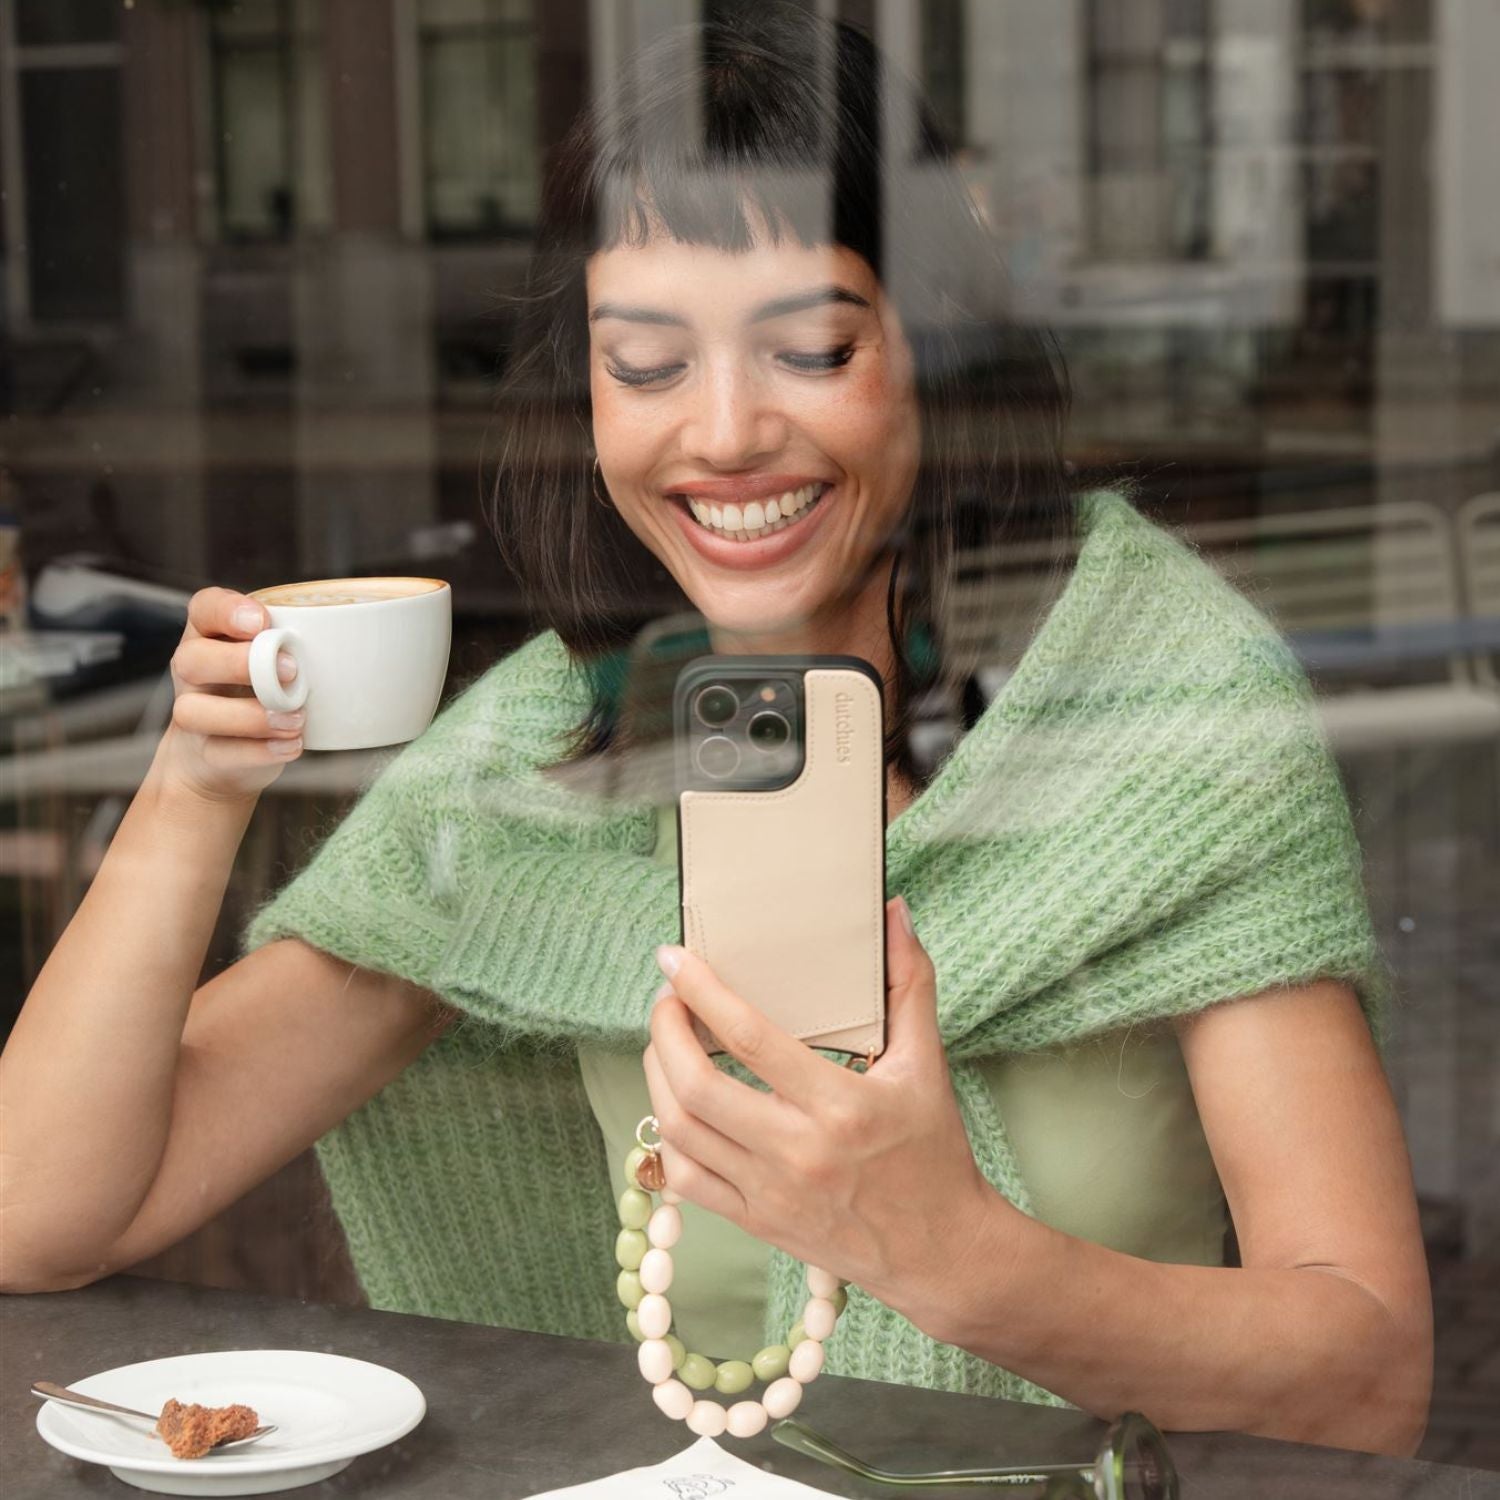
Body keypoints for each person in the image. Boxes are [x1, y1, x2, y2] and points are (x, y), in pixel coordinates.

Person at [0, 7, 1430, 1456]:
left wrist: (951, 1255)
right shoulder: (548, 754)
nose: (728, 431)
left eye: (809, 346)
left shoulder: (1166, 705)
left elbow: (1371, 1376)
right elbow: (36, 1218)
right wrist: (196, 784)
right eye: (649, 363)